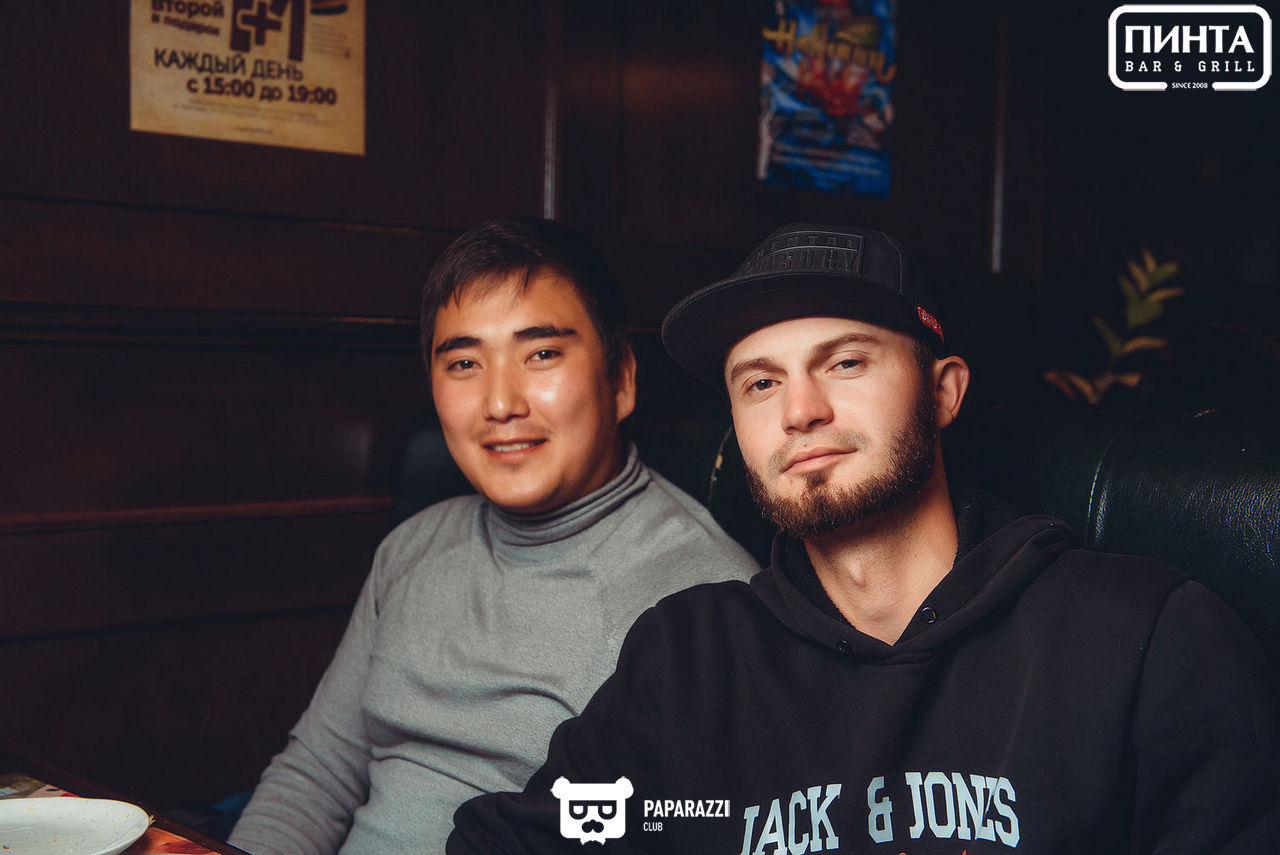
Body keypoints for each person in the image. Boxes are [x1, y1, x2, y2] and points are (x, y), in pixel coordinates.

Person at [448, 223, 1278, 853]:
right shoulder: (686, 658)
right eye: (760, 382)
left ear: (943, 391)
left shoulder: (1146, 636)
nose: (799, 410)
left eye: (845, 362)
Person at [227, 218, 758, 855]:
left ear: (621, 379)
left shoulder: (709, 604)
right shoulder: (413, 546)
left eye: (542, 354)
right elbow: (317, 775)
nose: (500, 403)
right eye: (464, 363)